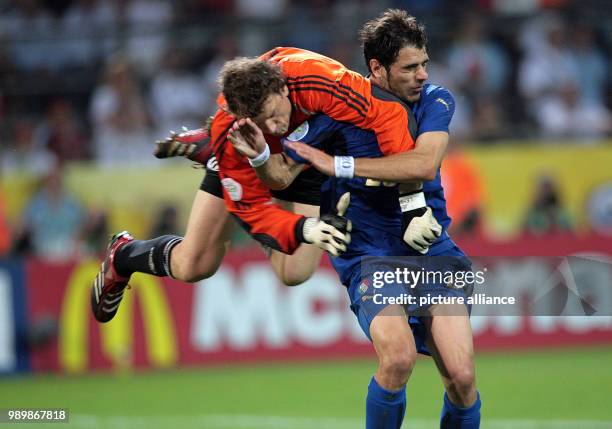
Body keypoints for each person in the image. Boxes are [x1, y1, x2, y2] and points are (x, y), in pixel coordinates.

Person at [230, 10, 480, 429]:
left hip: (430, 246)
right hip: (370, 253)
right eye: (410, 67)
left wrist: (337, 165)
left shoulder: (438, 100)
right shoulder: (334, 113)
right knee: (398, 359)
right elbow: (281, 174)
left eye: (424, 64)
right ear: (377, 69)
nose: (421, 75)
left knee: (462, 377)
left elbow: (423, 163)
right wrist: (258, 155)